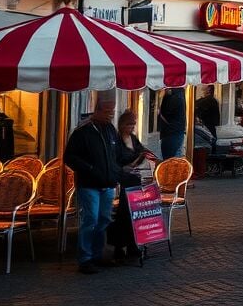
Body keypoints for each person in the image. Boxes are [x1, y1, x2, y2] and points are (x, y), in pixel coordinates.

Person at [63, 95, 122, 274]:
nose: (110, 115)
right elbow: (70, 157)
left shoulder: (110, 129)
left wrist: (116, 171)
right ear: (97, 111)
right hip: (89, 185)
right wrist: (89, 168)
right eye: (107, 112)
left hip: (107, 184)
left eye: (112, 112)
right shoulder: (82, 131)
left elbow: (116, 153)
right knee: (91, 220)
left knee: (104, 219)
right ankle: (85, 259)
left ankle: (98, 254)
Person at [109, 111, 154, 261]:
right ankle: (119, 247)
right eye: (129, 124)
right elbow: (116, 159)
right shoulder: (117, 140)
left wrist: (141, 159)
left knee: (135, 213)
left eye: (133, 124)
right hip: (124, 180)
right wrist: (125, 167)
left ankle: (133, 245)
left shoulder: (133, 139)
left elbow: (141, 152)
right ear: (122, 125)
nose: (132, 127)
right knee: (124, 214)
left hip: (135, 178)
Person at [157, 88, 187, 160]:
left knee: (170, 161)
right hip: (176, 132)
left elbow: (165, 114)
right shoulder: (180, 94)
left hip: (171, 133)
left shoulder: (174, 96)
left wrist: (162, 97)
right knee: (175, 158)